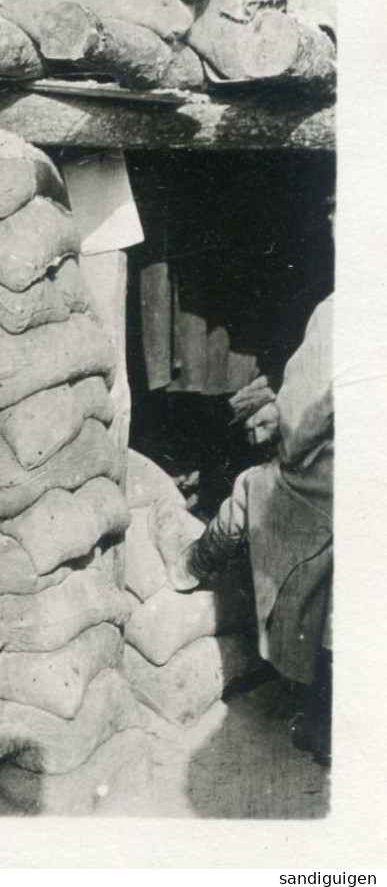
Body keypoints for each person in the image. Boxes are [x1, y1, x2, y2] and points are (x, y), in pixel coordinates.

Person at [169, 291, 334, 765]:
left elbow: (302, 428)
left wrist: (279, 428)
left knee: (253, 487)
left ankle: (190, 565)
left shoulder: (344, 308)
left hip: (343, 478)